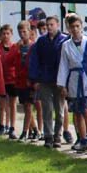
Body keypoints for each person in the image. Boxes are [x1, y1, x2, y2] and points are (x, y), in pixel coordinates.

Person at [58, 13, 87, 153]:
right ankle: (81, 138)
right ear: (68, 29)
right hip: (74, 78)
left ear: (81, 27)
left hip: (86, 78)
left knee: (86, 109)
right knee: (77, 112)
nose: (75, 29)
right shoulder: (65, 46)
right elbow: (63, 65)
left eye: (77, 26)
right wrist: (62, 84)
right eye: (72, 27)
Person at [29, 15, 69, 149]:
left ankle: (57, 135)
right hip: (45, 79)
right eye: (48, 25)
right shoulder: (41, 41)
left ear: (57, 25)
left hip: (59, 80)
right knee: (47, 108)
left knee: (60, 110)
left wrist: (66, 82)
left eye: (52, 25)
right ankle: (48, 136)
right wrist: (35, 79)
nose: (50, 27)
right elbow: (35, 60)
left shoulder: (64, 40)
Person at [14, 20, 40, 140]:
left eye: (24, 31)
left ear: (30, 32)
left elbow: (36, 64)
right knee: (25, 106)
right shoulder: (17, 47)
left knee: (29, 106)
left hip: (30, 81)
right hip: (20, 81)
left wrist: (34, 80)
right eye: (20, 32)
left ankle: (24, 132)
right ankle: (35, 130)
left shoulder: (34, 46)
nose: (22, 34)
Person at [0, 24, 19, 138]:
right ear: (0, 35)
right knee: (1, 103)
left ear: (11, 34)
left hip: (13, 79)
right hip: (1, 79)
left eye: (8, 33)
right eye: (3, 34)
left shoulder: (15, 47)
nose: (5, 36)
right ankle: (1, 125)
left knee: (12, 104)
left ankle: (12, 127)